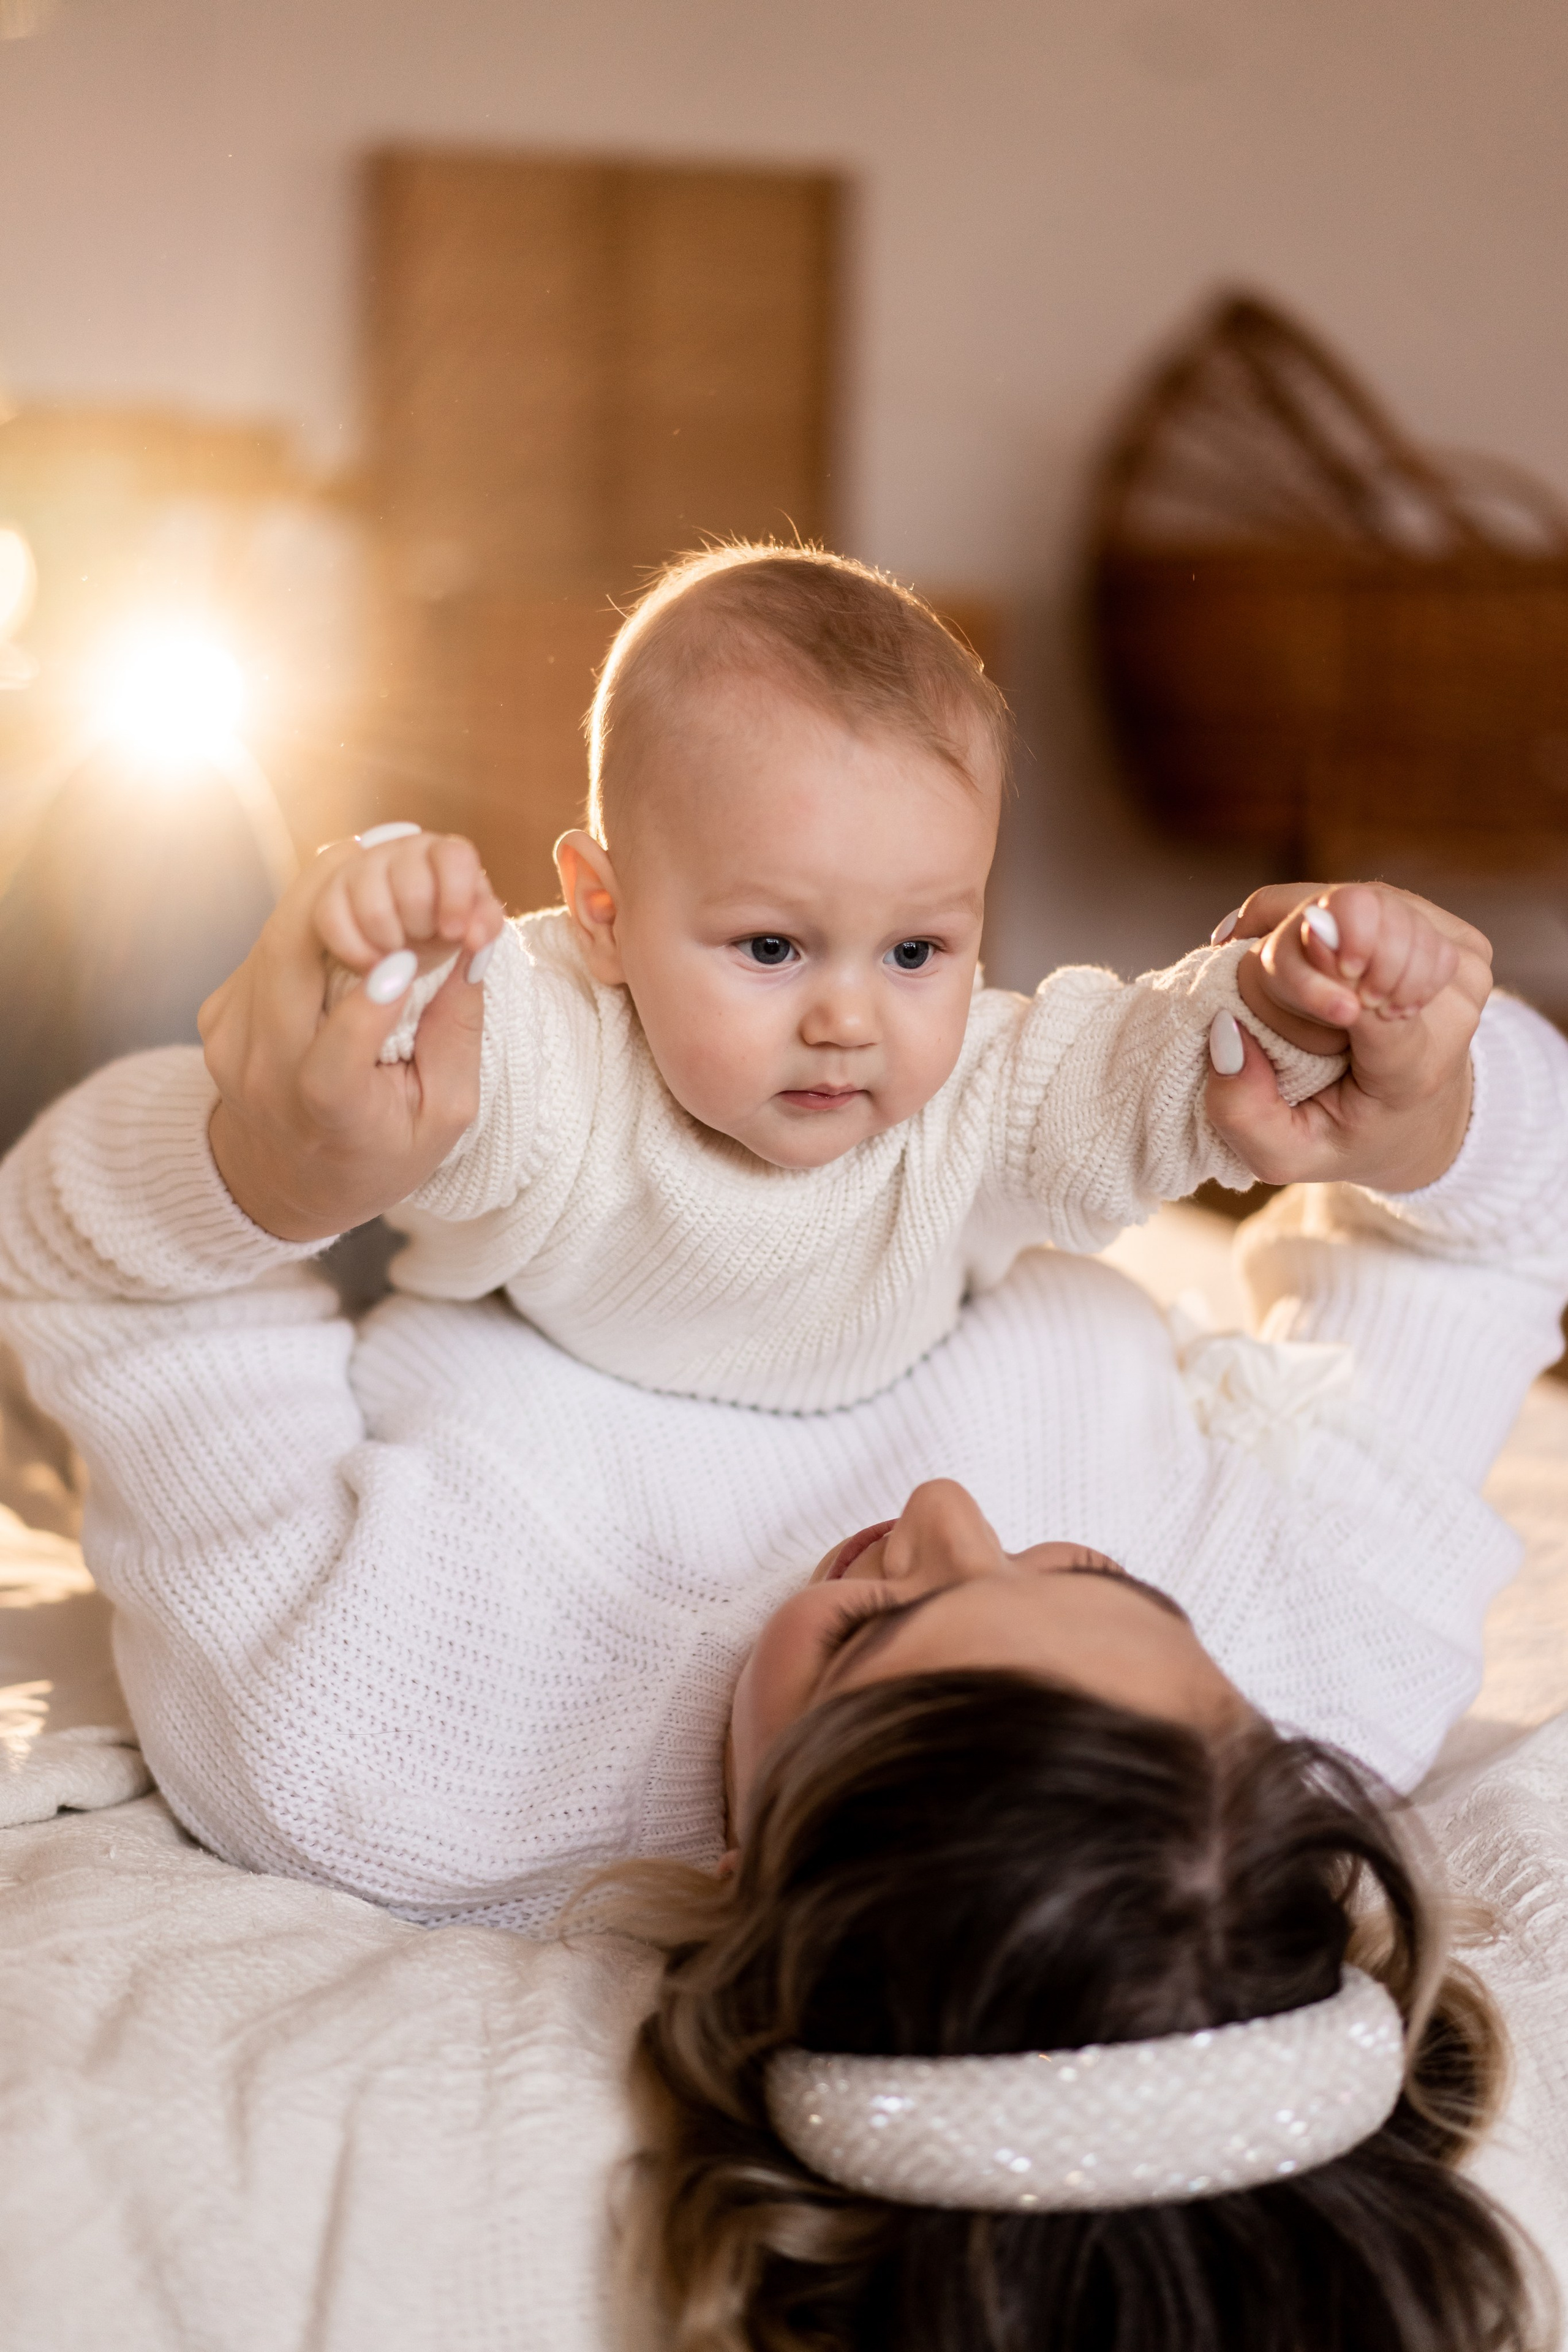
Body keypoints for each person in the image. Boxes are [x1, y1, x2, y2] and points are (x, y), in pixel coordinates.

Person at [0, 859, 1562, 2345]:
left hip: (373, 1234)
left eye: (870, 1625)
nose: (949, 1512)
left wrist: (260, 1173)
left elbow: (101, 1283)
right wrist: (1419, 1101)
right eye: (1087, 1573)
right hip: (868, 1112)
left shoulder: (377, 1742)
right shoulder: (1317, 1656)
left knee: (158, 859)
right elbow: (1499, 1236)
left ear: (758, 1870)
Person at [210, 545, 1466, 1412]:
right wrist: (383, 929)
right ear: (603, 913)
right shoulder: (566, 1045)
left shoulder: (975, 1093)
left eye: (917, 950)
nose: (849, 1019)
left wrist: (1302, 996)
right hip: (473, 1318)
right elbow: (434, 1052)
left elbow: (1157, 1072)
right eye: (771, 948)